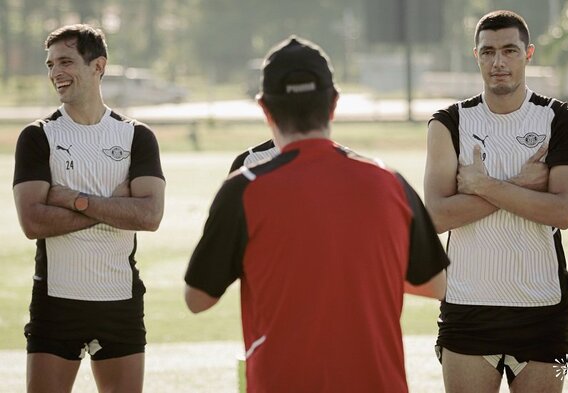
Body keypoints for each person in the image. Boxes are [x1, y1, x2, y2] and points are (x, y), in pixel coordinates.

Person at [184, 35, 448, 393]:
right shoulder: (390, 182)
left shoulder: (243, 188)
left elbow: (197, 298)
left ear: (264, 108)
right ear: (334, 104)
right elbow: (436, 284)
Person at [424, 10, 568, 393]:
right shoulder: (448, 123)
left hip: (542, 307)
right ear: (476, 56)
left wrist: (483, 186)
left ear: (528, 53)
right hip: (468, 307)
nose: (498, 62)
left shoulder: (562, 120)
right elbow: (435, 216)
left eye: (510, 50)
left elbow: (562, 212)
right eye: (488, 52)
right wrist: (522, 185)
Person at [12, 24, 165, 392]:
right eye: (50, 65)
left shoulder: (136, 136)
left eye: (65, 61)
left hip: (120, 301)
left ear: (98, 66)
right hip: (56, 303)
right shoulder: (38, 136)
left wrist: (75, 200)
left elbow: (149, 216)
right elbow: (33, 221)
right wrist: (114, 206)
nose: (55, 73)